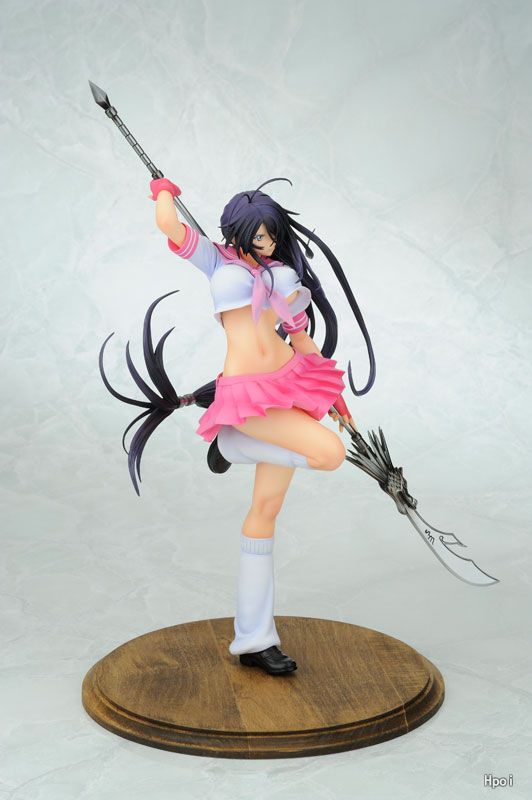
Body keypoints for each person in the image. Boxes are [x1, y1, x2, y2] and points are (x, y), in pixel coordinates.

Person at [99, 176, 376, 676]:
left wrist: (332, 393)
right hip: (248, 392)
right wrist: (163, 190)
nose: (266, 242)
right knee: (329, 454)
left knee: (264, 512)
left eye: (271, 234)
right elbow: (169, 225)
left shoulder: (282, 273)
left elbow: (300, 339)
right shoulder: (216, 261)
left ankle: (254, 639)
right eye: (258, 234)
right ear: (238, 231)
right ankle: (230, 442)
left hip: (289, 382)